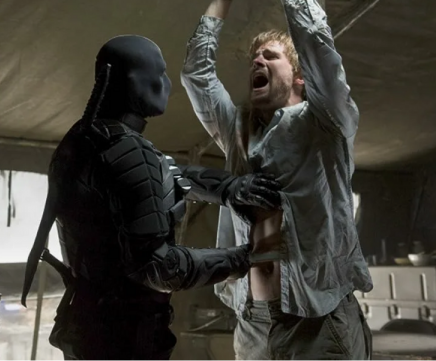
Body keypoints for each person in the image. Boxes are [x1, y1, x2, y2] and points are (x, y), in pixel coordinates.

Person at [22, 35, 283, 360]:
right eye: (159, 73)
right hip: (125, 338)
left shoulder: (83, 140)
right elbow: (161, 268)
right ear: (135, 81)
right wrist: (243, 258)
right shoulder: (124, 149)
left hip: (89, 324)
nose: (167, 84)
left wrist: (230, 187)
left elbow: (160, 173)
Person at [180, 0, 373, 359]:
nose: (258, 60)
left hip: (318, 320)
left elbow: (316, 46)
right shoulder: (237, 129)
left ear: (300, 77)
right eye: (255, 58)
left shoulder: (326, 122)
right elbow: (196, 74)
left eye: (271, 56)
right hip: (253, 322)